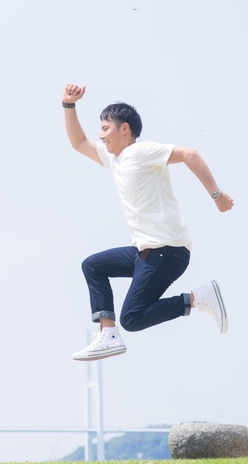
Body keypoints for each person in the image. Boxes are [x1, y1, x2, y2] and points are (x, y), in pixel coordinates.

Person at [61, 83, 234, 361]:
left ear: (124, 129)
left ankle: (197, 298)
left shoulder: (142, 152)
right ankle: (108, 333)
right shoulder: (114, 159)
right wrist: (68, 105)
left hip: (167, 251)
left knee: (133, 317)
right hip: (146, 251)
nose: (100, 135)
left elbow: (190, 155)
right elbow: (79, 143)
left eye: (105, 128)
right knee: (93, 265)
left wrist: (217, 195)